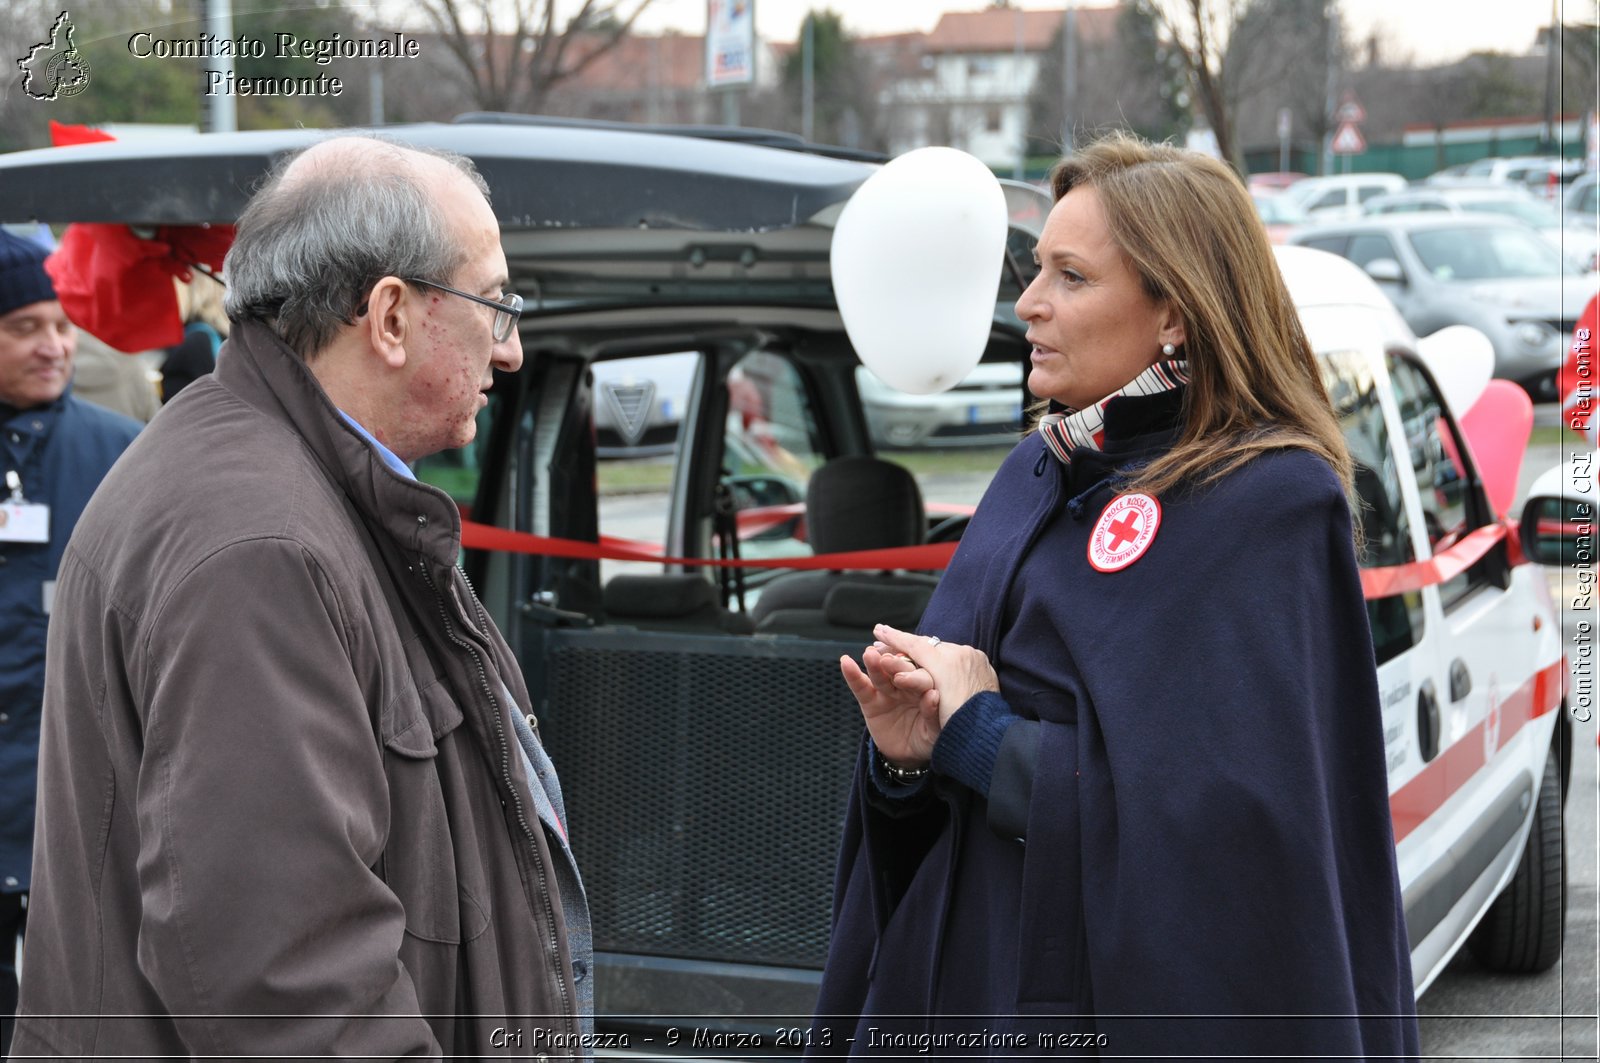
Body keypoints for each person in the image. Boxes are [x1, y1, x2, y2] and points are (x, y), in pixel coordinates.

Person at [811, 133, 1419, 1057]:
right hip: (960, 988)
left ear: (1173, 311)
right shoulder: (1034, 471)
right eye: (1034, 270)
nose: (1028, 303)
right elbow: (947, 788)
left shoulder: (1270, 503)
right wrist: (905, 761)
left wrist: (979, 736)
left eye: (1071, 276)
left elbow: (1227, 843)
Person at [11, 136, 592, 1057]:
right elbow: (288, 987)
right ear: (391, 317)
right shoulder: (258, 545)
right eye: (496, 305)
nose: (511, 348)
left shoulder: (284, 491)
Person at [0, 229, 141, 1056]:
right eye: (25, 327)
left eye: (61, 324)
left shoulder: (120, 450)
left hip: (78, 795)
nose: (54, 345)